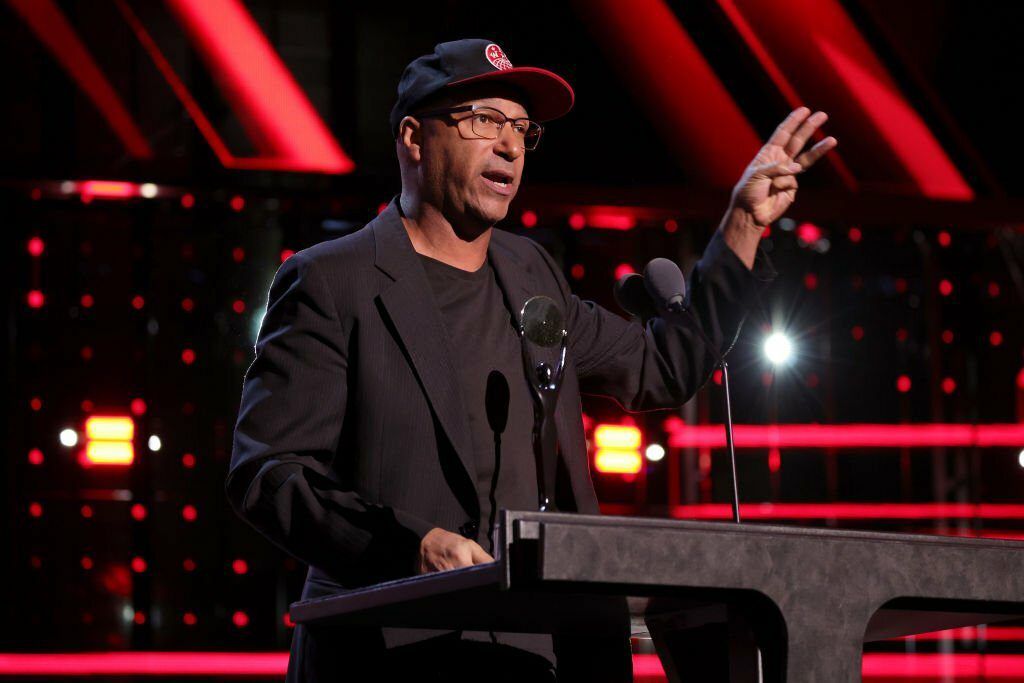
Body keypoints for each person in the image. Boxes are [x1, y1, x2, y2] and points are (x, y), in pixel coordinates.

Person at [227, 38, 836, 682]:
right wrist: (409, 547)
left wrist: (742, 222)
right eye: (485, 121)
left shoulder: (532, 275)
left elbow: (667, 365)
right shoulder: (333, 280)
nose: (511, 147)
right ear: (413, 138)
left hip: (542, 658)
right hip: (393, 654)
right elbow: (267, 472)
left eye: (521, 129)